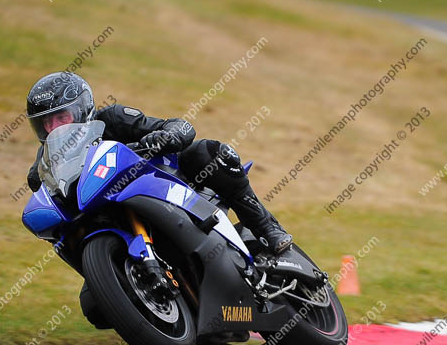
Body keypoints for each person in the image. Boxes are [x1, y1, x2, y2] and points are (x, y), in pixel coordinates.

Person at [25, 72, 292, 254]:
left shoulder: (114, 118)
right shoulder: (46, 165)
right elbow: (43, 190)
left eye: (61, 118)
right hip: (110, 218)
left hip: (163, 186)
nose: (54, 128)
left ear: (82, 108)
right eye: (46, 124)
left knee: (207, 153)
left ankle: (266, 227)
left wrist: (166, 136)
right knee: (94, 309)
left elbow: (181, 126)